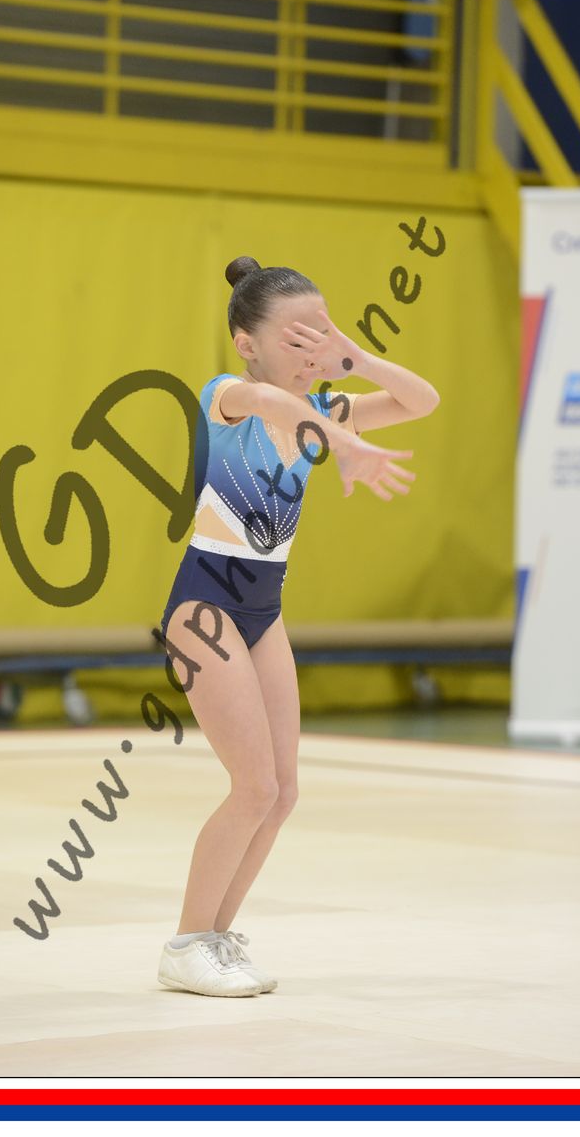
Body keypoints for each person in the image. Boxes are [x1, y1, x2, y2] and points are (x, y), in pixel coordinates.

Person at [156, 256, 440, 997]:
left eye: (322, 333)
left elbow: (422, 401)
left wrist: (357, 358)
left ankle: (213, 939)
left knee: (282, 793)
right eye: (297, 338)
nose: (314, 351)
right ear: (246, 342)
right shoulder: (227, 395)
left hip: (262, 610)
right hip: (204, 610)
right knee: (252, 786)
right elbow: (273, 405)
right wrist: (343, 442)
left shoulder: (326, 408)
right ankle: (186, 943)